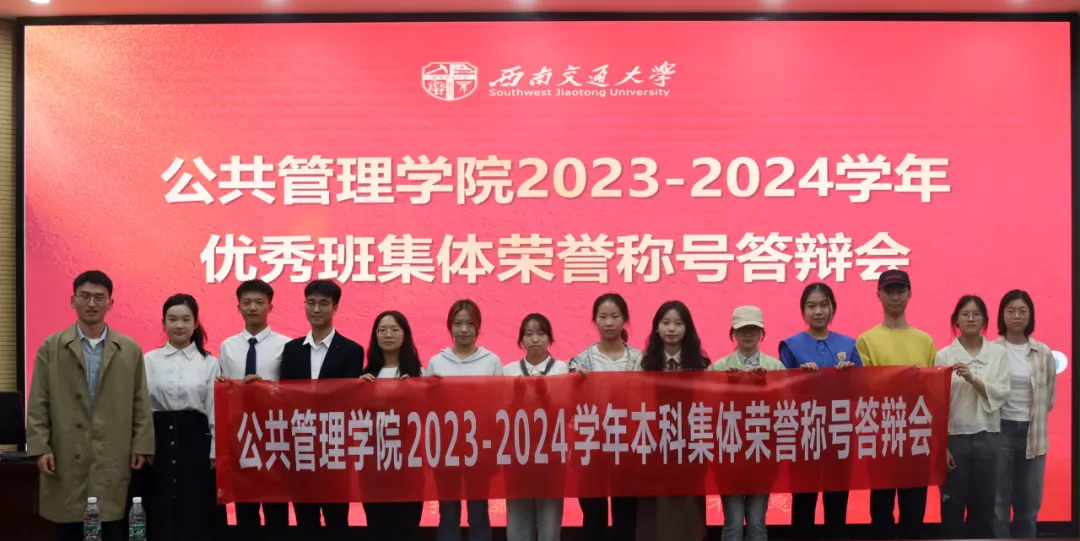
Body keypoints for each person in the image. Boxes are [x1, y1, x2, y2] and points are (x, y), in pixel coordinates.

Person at [25, 270, 154, 541]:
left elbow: (140, 401)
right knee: (69, 526)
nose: (92, 303)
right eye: (85, 296)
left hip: (112, 451)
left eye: (99, 297)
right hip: (65, 449)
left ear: (111, 303)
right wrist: (40, 446)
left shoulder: (129, 349)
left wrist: (142, 444)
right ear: (73, 301)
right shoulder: (52, 346)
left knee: (110, 524)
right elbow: (38, 401)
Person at [279, 280, 364, 539]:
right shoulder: (292, 350)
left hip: (334, 445)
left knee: (336, 517)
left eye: (324, 304)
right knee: (305, 517)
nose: (316, 309)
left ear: (335, 308)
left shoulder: (352, 350)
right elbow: (286, 395)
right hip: (300, 444)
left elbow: (345, 398)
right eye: (311, 303)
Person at [855, 269, 936, 539]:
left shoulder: (925, 341)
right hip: (882, 435)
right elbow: (865, 387)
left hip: (916, 435)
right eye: (889, 291)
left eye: (900, 291)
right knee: (881, 513)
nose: (895, 297)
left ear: (909, 294)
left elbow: (933, 391)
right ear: (878, 295)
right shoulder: (866, 340)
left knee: (914, 511)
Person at [777, 283, 860, 536]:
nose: (818, 311)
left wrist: (850, 375)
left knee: (837, 499)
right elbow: (781, 390)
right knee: (804, 499)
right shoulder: (791, 345)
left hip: (839, 431)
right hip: (805, 432)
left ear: (833, 308)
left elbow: (861, 390)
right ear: (803, 310)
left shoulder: (849, 344)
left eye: (824, 305)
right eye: (811, 306)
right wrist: (799, 378)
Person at [143, 294, 222, 541]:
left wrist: (215, 449)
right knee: (159, 505)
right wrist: (142, 445)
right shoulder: (148, 360)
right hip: (157, 443)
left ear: (195, 323)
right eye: (173, 319)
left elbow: (215, 409)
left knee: (194, 507)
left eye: (186, 319)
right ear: (163, 323)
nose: (179, 325)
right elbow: (141, 409)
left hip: (196, 442)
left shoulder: (209, 362)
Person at [216, 279, 290, 540]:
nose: (253, 307)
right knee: (245, 508)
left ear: (270, 306)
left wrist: (267, 388)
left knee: (275, 507)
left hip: (275, 434)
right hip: (241, 435)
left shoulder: (286, 345)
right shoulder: (228, 346)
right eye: (247, 302)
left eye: (259, 302)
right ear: (238, 307)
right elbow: (223, 391)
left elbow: (292, 391)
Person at [933, 295, 1009, 538]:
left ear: (985, 320)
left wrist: (972, 378)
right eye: (965, 314)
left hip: (988, 438)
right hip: (955, 440)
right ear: (956, 320)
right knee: (952, 508)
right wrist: (941, 446)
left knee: (984, 510)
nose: (971, 318)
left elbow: (1001, 394)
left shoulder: (998, 354)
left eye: (976, 314)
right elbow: (937, 404)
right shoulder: (944, 356)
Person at [568, 293, 642, 541]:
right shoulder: (579, 362)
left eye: (615, 316)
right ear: (595, 321)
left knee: (626, 515)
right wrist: (575, 382)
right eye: (602, 317)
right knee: (593, 516)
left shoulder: (639, 359)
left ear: (624, 319)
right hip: (592, 445)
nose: (609, 323)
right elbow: (570, 404)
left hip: (628, 444)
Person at [427, 299, 501, 541]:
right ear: (450, 326)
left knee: (479, 513)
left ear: (478, 326)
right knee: (448, 514)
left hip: (480, 449)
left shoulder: (491, 361)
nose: (464, 330)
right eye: (458, 324)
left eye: (470, 324)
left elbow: (498, 406)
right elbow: (428, 407)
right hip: (446, 449)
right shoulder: (437, 362)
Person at [636, 301, 708, 541]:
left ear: (687, 328)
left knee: (687, 508)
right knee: (656, 509)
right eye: (665, 322)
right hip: (654, 443)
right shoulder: (643, 364)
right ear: (657, 327)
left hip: (690, 445)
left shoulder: (702, 364)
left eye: (678, 323)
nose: (671, 328)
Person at [710, 305, 784, 541]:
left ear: (762, 332)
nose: (748, 334)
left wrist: (766, 387)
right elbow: (707, 411)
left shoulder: (775, 367)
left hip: (763, 455)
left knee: (757, 523)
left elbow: (786, 411)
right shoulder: (719, 368)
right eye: (742, 329)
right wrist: (727, 387)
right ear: (733, 332)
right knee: (732, 524)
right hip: (729, 457)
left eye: (754, 328)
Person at [992, 290, 1056, 538]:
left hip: (1033, 433)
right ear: (1002, 315)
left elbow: (1048, 397)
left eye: (1022, 310)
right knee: (998, 503)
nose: (1017, 316)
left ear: (1031, 315)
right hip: (1001, 431)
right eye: (1011, 310)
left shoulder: (1043, 352)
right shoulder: (992, 350)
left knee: (1029, 506)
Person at [502, 313, 569, 541]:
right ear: (521, 340)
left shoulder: (563, 369)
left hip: (552, 456)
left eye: (541, 333)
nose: (535, 339)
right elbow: (501, 414)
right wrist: (516, 398)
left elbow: (567, 411)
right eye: (528, 334)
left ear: (550, 338)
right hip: (517, 456)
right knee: (518, 517)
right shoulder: (508, 371)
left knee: (550, 518)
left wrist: (545, 396)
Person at [361, 310, 425, 540]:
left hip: (408, 465)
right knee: (377, 527)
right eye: (382, 330)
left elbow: (429, 415)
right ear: (375, 335)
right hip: (373, 467)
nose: (388, 335)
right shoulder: (365, 376)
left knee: (406, 527)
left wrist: (420, 390)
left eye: (394, 329)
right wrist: (356, 390)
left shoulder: (419, 374)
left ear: (405, 335)